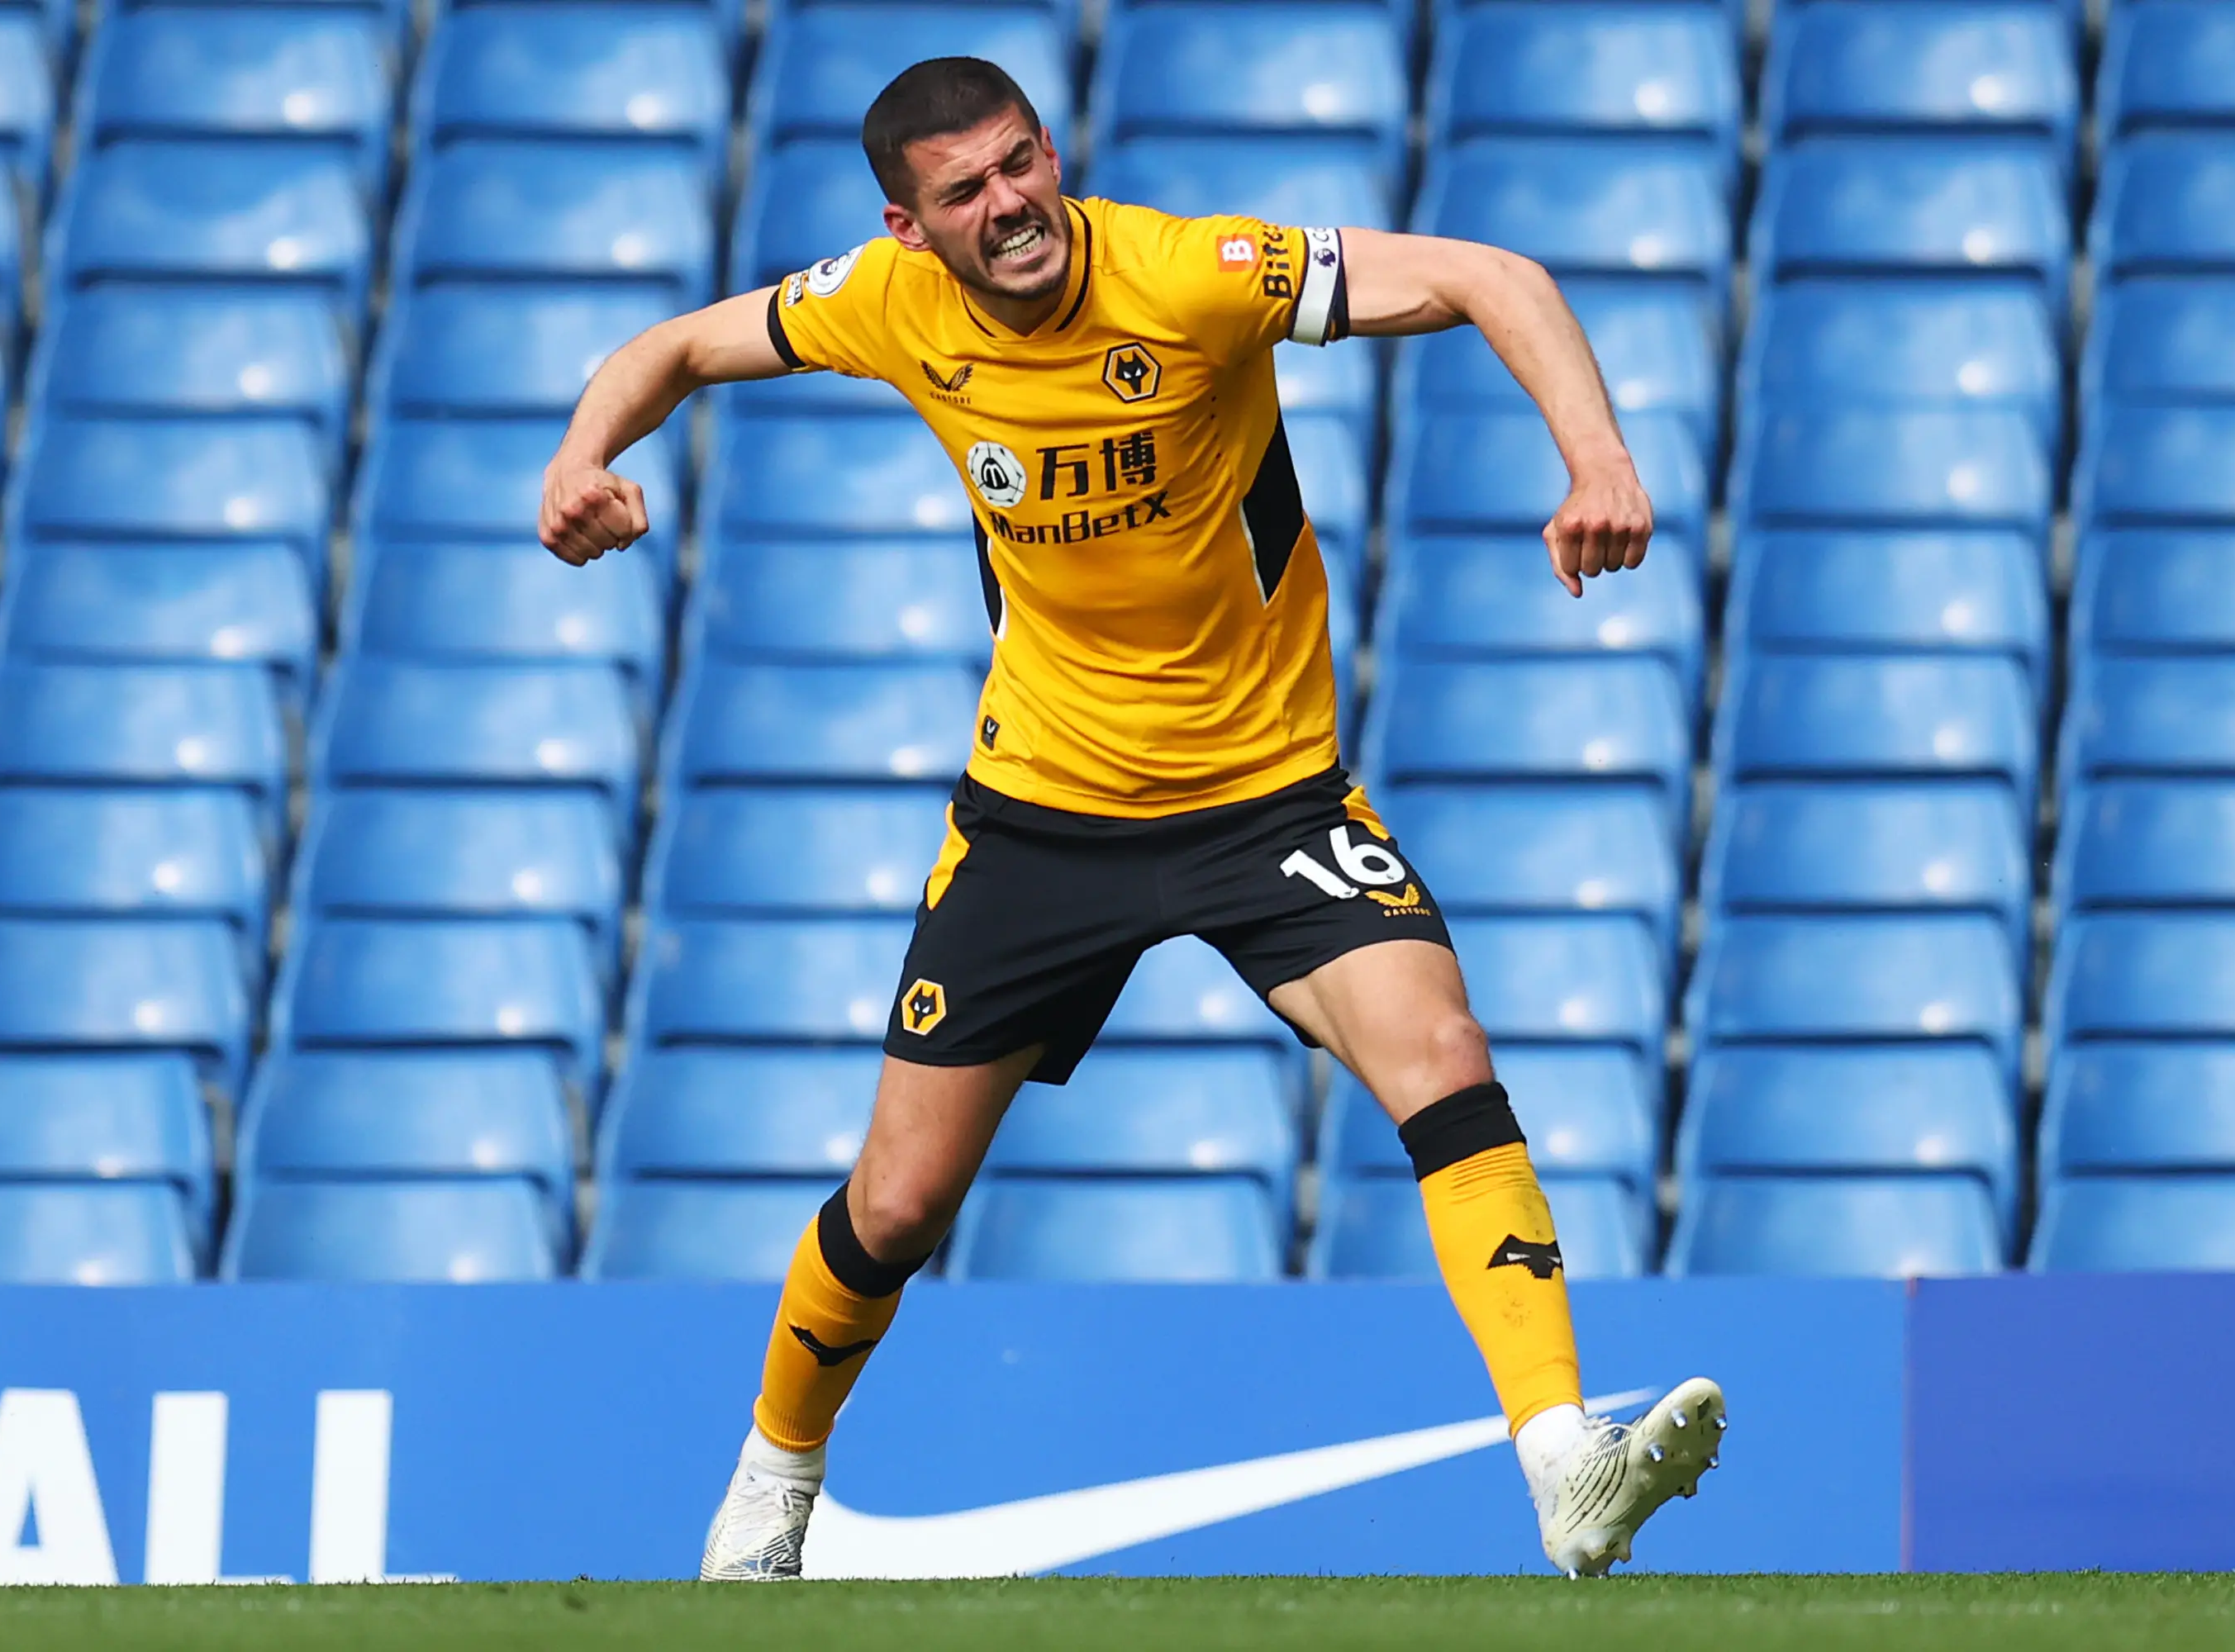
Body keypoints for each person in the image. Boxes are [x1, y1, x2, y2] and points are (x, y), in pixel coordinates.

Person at [540, 56, 1725, 1582]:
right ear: (908, 228)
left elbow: (1494, 276)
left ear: (1053, 153)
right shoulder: (885, 306)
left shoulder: (1190, 272)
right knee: (898, 1204)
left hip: (1268, 793)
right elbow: (677, 346)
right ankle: (774, 1485)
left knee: (1443, 1058)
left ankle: (1565, 1459)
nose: (1010, 203)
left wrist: (1601, 456)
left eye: (1021, 162)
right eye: (964, 190)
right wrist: (583, 458)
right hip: (1043, 814)